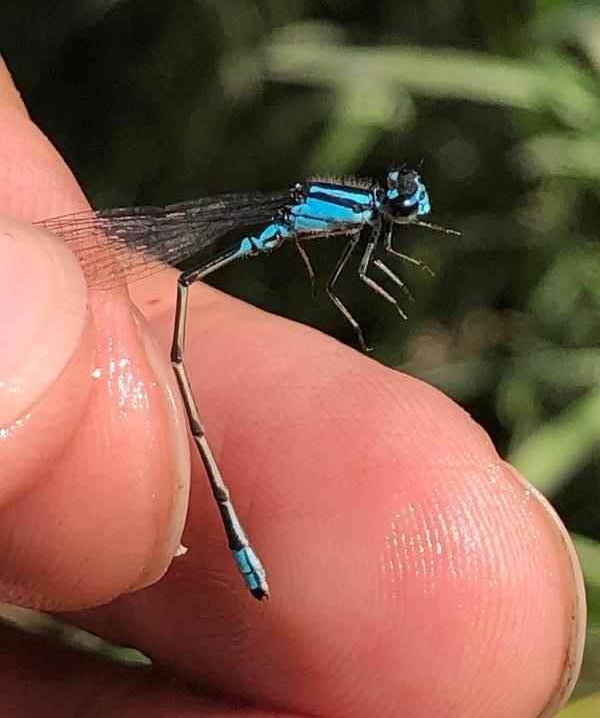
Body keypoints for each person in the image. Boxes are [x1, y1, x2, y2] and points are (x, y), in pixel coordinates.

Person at [0, 58, 585, 717]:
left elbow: (349, 265)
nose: (399, 213)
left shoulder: (364, 216)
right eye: (398, 206)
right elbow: (347, 279)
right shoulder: (349, 216)